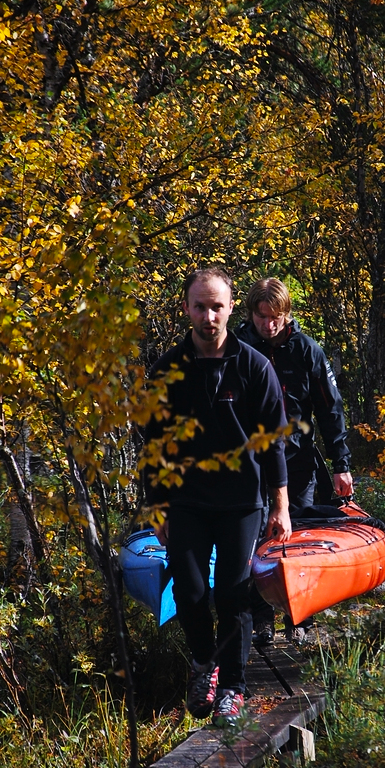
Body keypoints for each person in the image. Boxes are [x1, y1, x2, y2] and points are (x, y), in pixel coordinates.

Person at [143, 266, 291, 726]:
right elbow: (154, 444)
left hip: (241, 503)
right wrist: (156, 505)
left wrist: (282, 505)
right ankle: (204, 663)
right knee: (188, 593)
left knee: (231, 595)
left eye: (217, 306)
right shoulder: (168, 370)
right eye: (201, 306)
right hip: (187, 501)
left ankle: (232, 688)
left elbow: (272, 441)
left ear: (230, 309)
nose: (209, 315)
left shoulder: (253, 366)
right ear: (187, 308)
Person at [236, 277, 353, 643]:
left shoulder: (307, 351)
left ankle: (299, 619)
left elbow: (330, 410)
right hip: (250, 465)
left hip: (298, 464)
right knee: (255, 542)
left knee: (297, 538)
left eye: (276, 318)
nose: (269, 325)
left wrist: (341, 464)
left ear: (287, 315)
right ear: (251, 313)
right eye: (262, 317)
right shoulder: (235, 349)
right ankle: (261, 619)